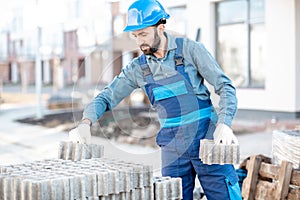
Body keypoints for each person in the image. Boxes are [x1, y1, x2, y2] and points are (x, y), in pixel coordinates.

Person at [69, 0, 241, 199]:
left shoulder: (190, 50)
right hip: (172, 147)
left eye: (143, 34)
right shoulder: (138, 69)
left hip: (208, 139)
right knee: (171, 196)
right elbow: (107, 96)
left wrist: (225, 123)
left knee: (225, 194)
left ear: (160, 28)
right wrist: (85, 122)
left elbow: (225, 87)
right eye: (135, 35)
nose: (139, 41)